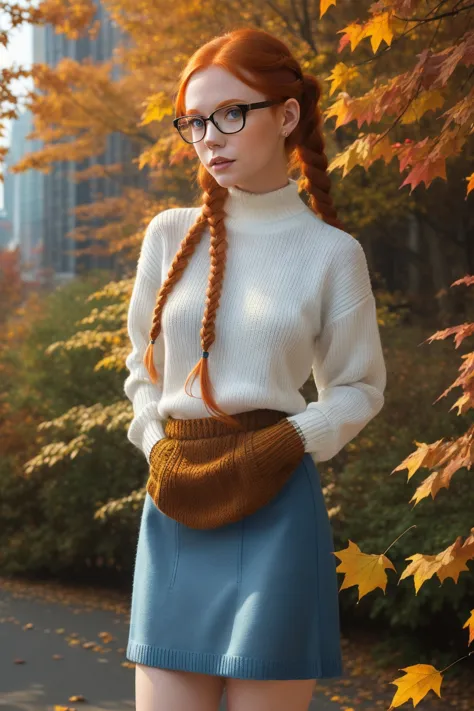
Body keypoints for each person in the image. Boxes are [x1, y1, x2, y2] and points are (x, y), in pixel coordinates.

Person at [123, 27, 387, 711]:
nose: (210, 136)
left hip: (276, 505)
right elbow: (143, 370)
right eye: (195, 122)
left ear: (288, 115)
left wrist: (293, 438)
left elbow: (359, 386)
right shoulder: (167, 234)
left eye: (231, 114)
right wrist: (154, 445)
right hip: (176, 496)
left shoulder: (332, 253)